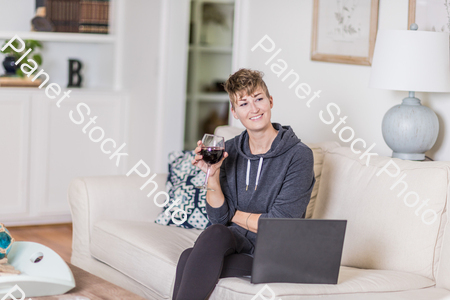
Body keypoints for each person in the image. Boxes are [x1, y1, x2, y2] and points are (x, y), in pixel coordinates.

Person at [172, 68, 315, 300]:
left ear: (270, 101)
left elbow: (279, 224)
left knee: (191, 258)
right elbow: (218, 218)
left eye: (259, 99)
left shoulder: (298, 156)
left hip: (275, 252)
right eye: (244, 103)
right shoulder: (228, 149)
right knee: (208, 239)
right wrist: (212, 175)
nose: (254, 109)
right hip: (237, 242)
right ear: (235, 112)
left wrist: (233, 213)